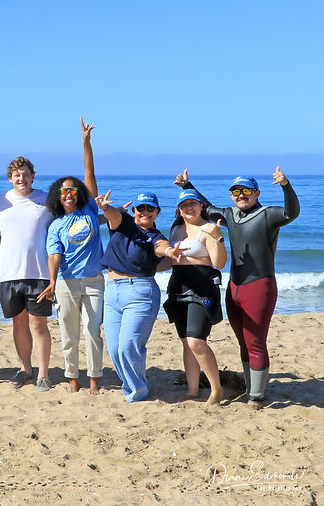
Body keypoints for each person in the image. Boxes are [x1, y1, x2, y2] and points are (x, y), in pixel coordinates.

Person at [175, 168, 300, 408]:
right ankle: (251, 387)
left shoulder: (268, 214)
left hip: (260, 285)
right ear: (231, 195)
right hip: (235, 287)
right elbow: (207, 207)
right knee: (242, 341)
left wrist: (286, 185)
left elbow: (291, 213)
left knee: (255, 341)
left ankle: (257, 396)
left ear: (256, 193)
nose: (241, 195)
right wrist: (187, 186)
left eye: (246, 191)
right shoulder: (230, 215)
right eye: (236, 191)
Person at [38, 119, 105, 394]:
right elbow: (55, 255)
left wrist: (86, 143)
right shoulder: (55, 225)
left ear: (78, 193)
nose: (68, 194)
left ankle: (94, 379)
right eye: (63, 191)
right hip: (66, 283)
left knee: (93, 332)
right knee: (69, 334)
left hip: (94, 281)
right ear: (58, 195)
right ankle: (72, 378)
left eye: (72, 190)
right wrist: (52, 283)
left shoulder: (89, 209)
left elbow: (90, 171)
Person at [96, 191, 175, 402]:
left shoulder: (156, 236)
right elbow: (113, 216)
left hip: (140, 292)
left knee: (128, 345)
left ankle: (138, 392)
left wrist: (170, 252)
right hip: (112, 291)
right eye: (141, 208)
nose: (145, 212)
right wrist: (105, 208)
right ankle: (132, 386)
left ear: (157, 212)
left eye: (150, 208)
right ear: (134, 211)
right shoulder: (123, 224)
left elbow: (162, 248)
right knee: (113, 348)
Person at [0, 157, 55, 391]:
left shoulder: (47, 200)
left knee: (38, 324)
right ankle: (25, 369)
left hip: (39, 273)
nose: (22, 178)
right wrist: (10, 244)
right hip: (8, 274)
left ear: (33, 176)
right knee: (18, 324)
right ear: (10, 178)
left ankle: (43, 374)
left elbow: (66, 223)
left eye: (26, 174)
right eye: (17, 175)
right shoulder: (0, 202)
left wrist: (105, 215)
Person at [163, 189, 227, 405]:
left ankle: (216, 389)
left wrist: (219, 239)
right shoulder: (176, 229)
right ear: (179, 210)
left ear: (201, 206)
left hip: (202, 288)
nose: (189, 208)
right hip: (178, 286)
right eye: (184, 205)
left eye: (193, 204)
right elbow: (169, 260)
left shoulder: (208, 229)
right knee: (185, 342)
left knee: (196, 341)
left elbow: (219, 264)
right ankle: (192, 390)